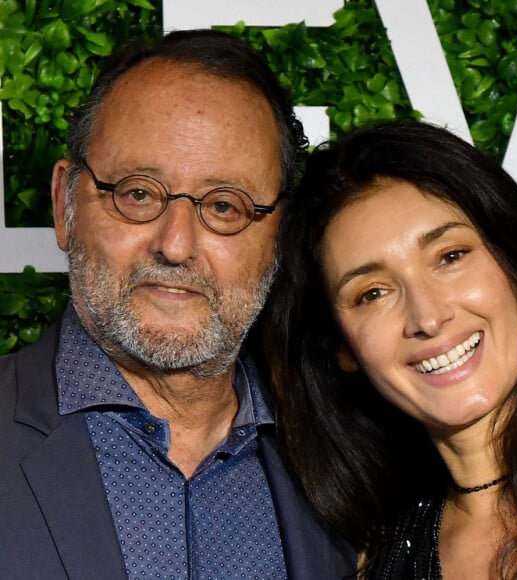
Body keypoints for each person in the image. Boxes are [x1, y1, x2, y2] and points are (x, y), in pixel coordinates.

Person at [0, 30, 356, 579]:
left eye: (224, 206)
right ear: (64, 204)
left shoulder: (350, 455)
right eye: (138, 193)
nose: (176, 245)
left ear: (279, 239)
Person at [265, 119, 517, 579]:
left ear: (516, 266)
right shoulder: (368, 560)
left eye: (450, 257)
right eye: (372, 293)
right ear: (342, 348)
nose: (428, 318)